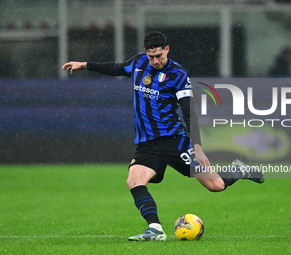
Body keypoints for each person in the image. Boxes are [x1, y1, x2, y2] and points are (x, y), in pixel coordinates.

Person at [62, 31, 264, 241]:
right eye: (151, 56)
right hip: (147, 144)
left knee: (216, 186)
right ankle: (156, 229)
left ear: (167, 50)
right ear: (145, 53)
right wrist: (85, 64)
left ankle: (239, 170)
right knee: (134, 180)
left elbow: (188, 113)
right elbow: (116, 68)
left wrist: (198, 147)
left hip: (175, 141)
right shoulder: (139, 63)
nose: (156, 61)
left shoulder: (178, 75)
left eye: (159, 55)